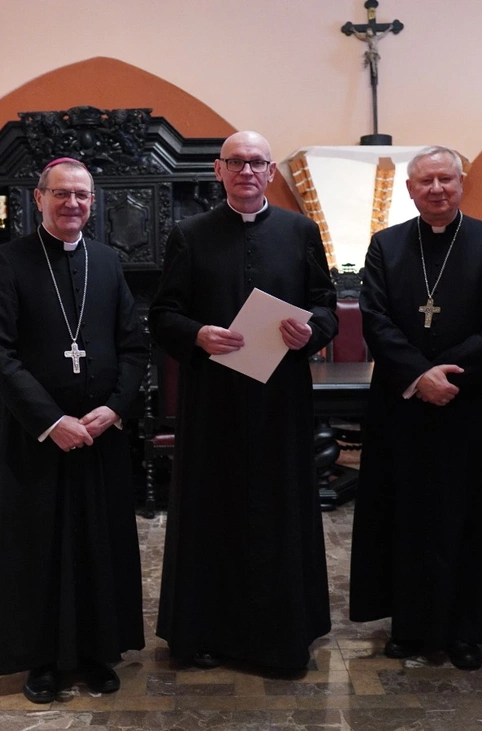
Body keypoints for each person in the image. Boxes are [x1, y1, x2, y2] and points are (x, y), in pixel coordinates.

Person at [150, 130, 338, 673]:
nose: (247, 171)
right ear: (219, 170)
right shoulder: (189, 234)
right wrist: (198, 334)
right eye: (236, 162)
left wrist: (313, 330)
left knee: (281, 510)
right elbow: (163, 315)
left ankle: (284, 635)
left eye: (256, 162)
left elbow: (325, 304)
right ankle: (207, 633)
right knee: (214, 510)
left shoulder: (301, 231)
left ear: (271, 171)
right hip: (214, 402)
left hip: (280, 400)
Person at [0, 157, 148, 702]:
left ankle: (99, 651)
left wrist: (114, 409)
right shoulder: (9, 261)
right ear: (39, 199)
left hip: (99, 436)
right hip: (38, 438)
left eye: (81, 195)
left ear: (92, 202)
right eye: (61, 194)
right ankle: (42, 660)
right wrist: (51, 421)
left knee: (99, 543)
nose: (72, 203)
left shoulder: (108, 261)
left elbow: (133, 346)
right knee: (39, 550)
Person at [348, 146, 482, 671]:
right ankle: (408, 625)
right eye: (426, 181)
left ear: (461, 182)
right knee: (406, 514)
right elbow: (375, 319)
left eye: (446, 179)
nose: (437, 188)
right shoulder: (386, 245)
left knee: (470, 517)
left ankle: (467, 629)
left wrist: (445, 375)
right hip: (404, 407)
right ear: (410, 189)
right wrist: (419, 376)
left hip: (471, 406)